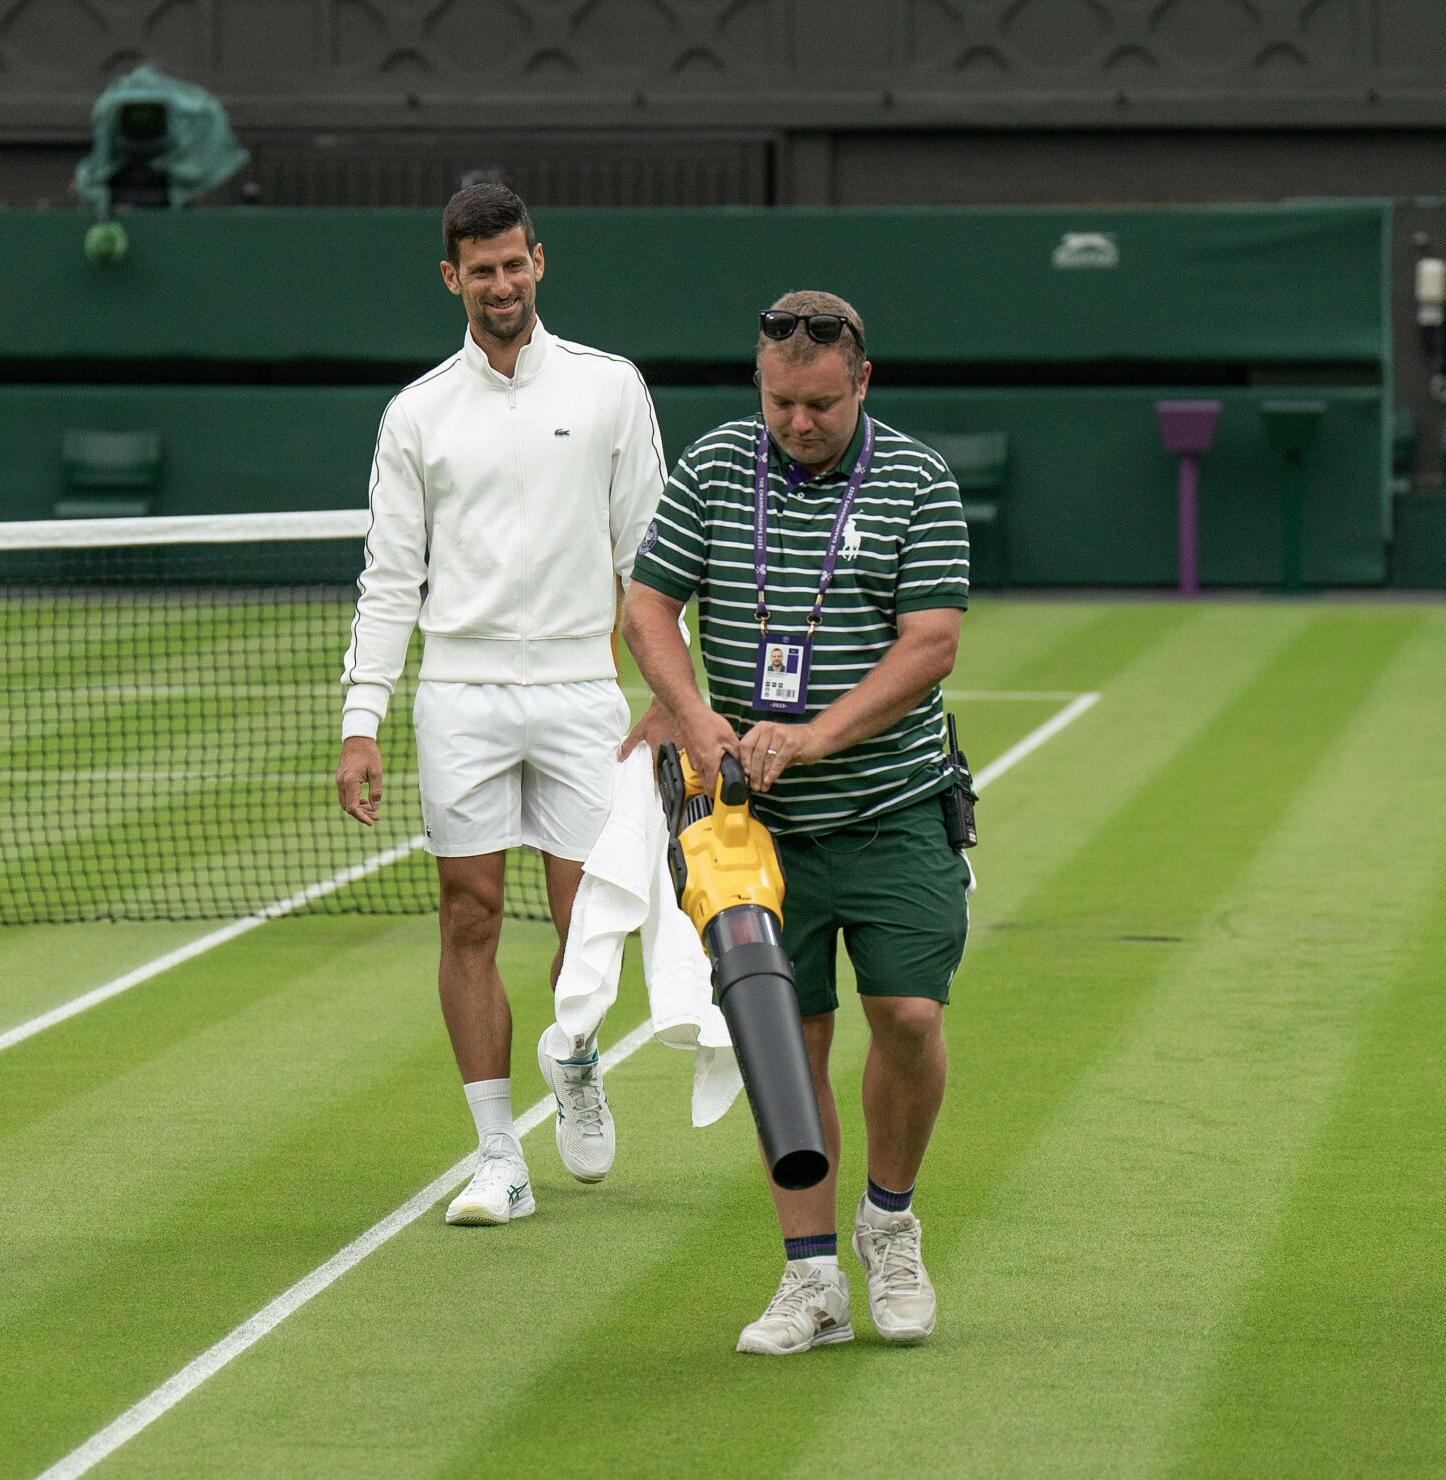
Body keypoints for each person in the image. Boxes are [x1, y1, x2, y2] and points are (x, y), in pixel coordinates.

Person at [620, 290, 970, 1355]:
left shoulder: (917, 481)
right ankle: (810, 1277)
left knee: (907, 1017)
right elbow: (647, 608)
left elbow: (929, 644)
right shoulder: (718, 466)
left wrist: (813, 735)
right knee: (791, 1042)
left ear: (860, 382)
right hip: (750, 830)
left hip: (892, 806)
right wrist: (695, 717)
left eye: (818, 405)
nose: (796, 425)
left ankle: (890, 1225)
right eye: (779, 402)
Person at [335, 183, 665, 1225]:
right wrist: (361, 719)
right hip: (460, 692)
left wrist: (669, 697)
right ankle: (497, 1156)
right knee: (467, 913)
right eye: (480, 270)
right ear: (453, 279)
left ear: (537, 261)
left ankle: (572, 1062)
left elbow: (646, 560)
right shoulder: (418, 413)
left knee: (586, 915)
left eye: (513, 263)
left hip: (580, 690)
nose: (500, 283)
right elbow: (390, 577)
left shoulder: (611, 388)